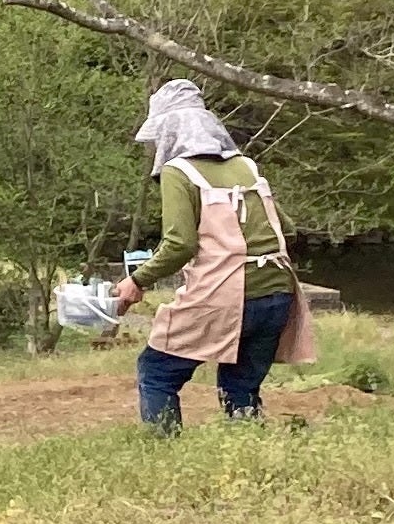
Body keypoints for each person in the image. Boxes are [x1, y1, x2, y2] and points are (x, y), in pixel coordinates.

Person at [112, 79, 313, 428]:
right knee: (241, 386)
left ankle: (162, 450)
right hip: (278, 292)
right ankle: (247, 443)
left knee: (157, 370)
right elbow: (288, 229)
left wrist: (137, 280)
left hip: (227, 294)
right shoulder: (246, 166)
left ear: (169, 130)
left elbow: (179, 244)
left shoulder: (179, 171)